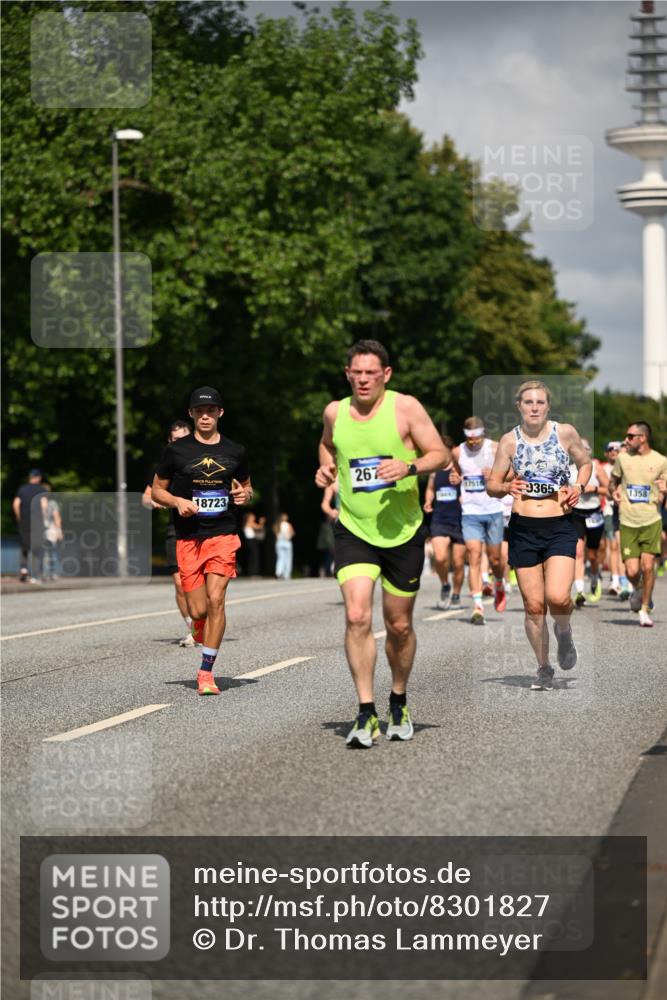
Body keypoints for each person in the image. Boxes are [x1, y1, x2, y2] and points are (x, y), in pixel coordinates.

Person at [315, 340, 447, 747]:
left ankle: (399, 699)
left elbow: (440, 454)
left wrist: (409, 466)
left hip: (403, 532)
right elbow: (326, 445)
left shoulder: (406, 408)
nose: (364, 379)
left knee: (399, 625)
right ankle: (365, 711)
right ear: (347, 374)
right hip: (354, 528)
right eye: (357, 372)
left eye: (372, 373)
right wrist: (325, 467)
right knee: (356, 616)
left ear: (385, 375)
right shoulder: (335, 412)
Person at [486, 380, 591, 691]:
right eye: (528, 402)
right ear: (519, 406)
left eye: (540, 402)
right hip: (523, 529)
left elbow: (585, 465)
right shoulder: (509, 441)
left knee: (558, 597)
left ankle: (564, 630)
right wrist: (506, 487)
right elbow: (492, 484)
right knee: (534, 606)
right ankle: (544, 667)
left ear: (548, 406)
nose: (534, 407)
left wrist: (578, 488)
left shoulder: (566, 433)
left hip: (559, 526)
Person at [152, 387, 253, 695]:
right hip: (188, 537)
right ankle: (199, 625)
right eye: (199, 411)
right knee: (198, 610)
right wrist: (176, 502)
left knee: (216, 600)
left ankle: (206, 673)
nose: (205, 416)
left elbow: (247, 490)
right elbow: (157, 490)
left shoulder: (236, 451)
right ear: (191, 414)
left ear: (220, 413)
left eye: (210, 411)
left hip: (223, 533)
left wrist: (244, 495)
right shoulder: (177, 450)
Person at [607, 421, 667, 627]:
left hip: (651, 520)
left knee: (648, 566)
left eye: (630, 436)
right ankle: (640, 589)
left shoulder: (660, 460)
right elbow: (612, 482)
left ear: (643, 438)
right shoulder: (622, 459)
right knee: (632, 571)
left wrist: (665, 488)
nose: (626, 440)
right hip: (628, 520)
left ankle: (644, 609)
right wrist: (613, 491)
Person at [143, 420, 197, 646]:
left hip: (204, 528)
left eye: (184, 439)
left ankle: (204, 623)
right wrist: (155, 503)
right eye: (175, 440)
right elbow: (146, 497)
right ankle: (192, 629)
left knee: (200, 583)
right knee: (179, 582)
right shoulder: (165, 466)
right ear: (169, 442)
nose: (180, 443)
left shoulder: (204, 461)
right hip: (176, 529)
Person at [452, 418, 507, 624]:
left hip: (493, 510)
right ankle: (477, 606)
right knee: (473, 556)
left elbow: (510, 475)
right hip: (470, 512)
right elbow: (456, 473)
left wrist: (494, 475)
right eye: (469, 438)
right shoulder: (458, 452)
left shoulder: (494, 449)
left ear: (482, 434)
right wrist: (455, 478)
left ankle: (499, 583)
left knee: (495, 560)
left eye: (476, 438)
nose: (473, 442)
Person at [423, 436, 465, 610]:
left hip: (460, 520)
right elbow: (431, 489)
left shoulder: (460, 469)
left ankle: (456, 593)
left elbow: (471, 485)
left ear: (450, 450)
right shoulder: (435, 470)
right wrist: (428, 501)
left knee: (458, 563)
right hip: (439, 519)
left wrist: (463, 488)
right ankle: (445, 584)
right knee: (439, 557)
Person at [568, 439, 609, 605]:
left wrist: (595, 489)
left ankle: (593, 576)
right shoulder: (569, 470)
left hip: (594, 513)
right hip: (575, 514)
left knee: (592, 554)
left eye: (585, 449)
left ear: (590, 451)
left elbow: (611, 491)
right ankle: (579, 591)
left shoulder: (597, 468)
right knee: (577, 552)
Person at [12, 469, 47, 583]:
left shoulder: (22, 489)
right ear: (39, 478)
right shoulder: (41, 489)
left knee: (24, 546)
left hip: (25, 522)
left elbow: (16, 504)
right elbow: (44, 505)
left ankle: (23, 569)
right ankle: (36, 575)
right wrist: (45, 520)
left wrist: (19, 518)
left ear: (29, 477)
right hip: (37, 522)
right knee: (38, 548)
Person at [600, 442, 624, 595]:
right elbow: (606, 490)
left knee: (623, 547)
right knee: (612, 545)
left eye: (617, 449)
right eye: (611, 449)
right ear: (606, 453)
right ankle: (615, 581)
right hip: (609, 510)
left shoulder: (628, 467)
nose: (614, 451)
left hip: (627, 511)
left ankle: (624, 579)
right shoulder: (603, 469)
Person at [41, 484, 63, 580]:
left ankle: (49, 573)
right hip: (47, 529)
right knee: (50, 552)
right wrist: (59, 530)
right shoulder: (51, 502)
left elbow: (56, 517)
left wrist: (58, 530)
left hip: (47, 529)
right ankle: (50, 573)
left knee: (48, 552)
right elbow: (57, 517)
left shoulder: (51, 503)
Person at [243, 512, 266, 577]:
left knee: (252, 557)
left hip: (249, 541)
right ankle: (254, 573)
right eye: (252, 517)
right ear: (249, 518)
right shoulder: (249, 523)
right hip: (252, 541)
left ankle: (251, 572)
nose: (254, 518)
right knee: (254, 557)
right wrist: (262, 522)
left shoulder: (246, 523)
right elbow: (259, 527)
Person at [274, 513, 295, 579]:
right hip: (287, 542)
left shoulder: (277, 525)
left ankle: (278, 572)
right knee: (288, 559)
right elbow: (292, 533)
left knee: (280, 558)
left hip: (279, 542)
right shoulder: (288, 525)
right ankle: (286, 574)